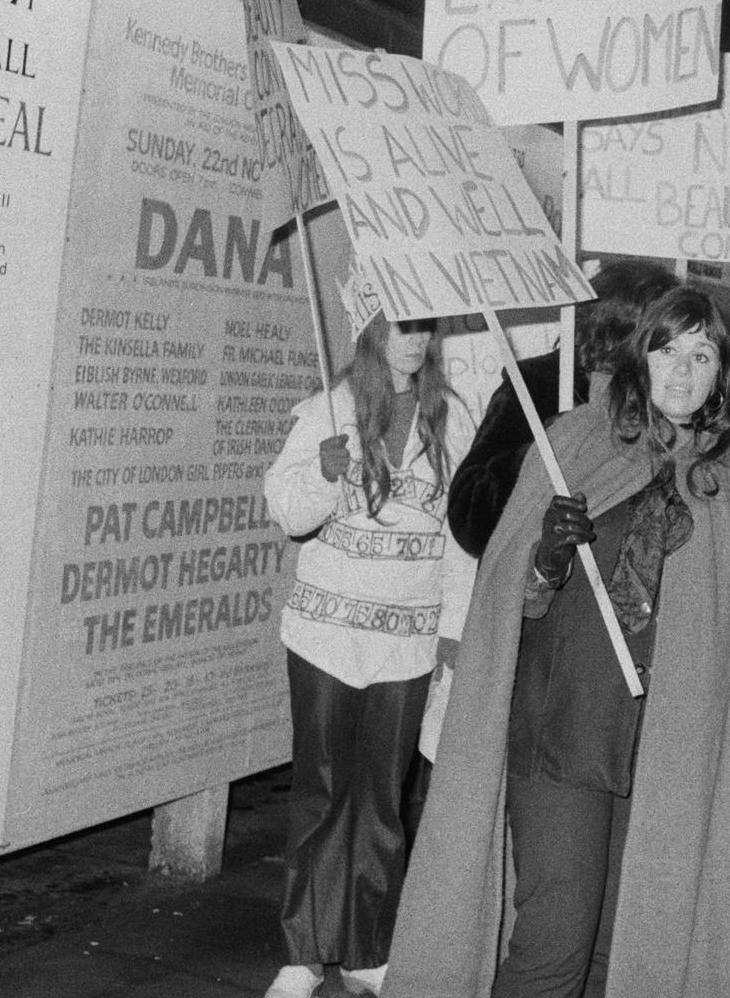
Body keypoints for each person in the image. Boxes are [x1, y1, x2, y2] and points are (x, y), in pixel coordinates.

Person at [387, 286, 730, 998]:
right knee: (553, 950)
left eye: (703, 355)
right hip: (562, 734)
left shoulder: (724, 487)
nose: (684, 372)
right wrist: (546, 559)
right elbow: (513, 601)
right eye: (668, 350)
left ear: (721, 372)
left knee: (614, 956)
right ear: (641, 355)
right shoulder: (577, 442)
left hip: (663, 757)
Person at [260, 317, 476, 998]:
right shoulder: (327, 409)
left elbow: (462, 535)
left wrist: (454, 627)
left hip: (406, 641)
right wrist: (324, 476)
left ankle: (365, 948)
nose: (413, 341)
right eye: (400, 327)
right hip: (326, 635)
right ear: (371, 329)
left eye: (424, 329)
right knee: (321, 792)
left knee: (381, 801)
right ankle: (302, 952)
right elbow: (287, 511)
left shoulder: (453, 419)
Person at [446, 259, 678, 558]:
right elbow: (468, 519)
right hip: (545, 591)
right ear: (620, 333)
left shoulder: (671, 399)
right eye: (664, 342)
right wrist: (539, 453)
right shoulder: (536, 385)